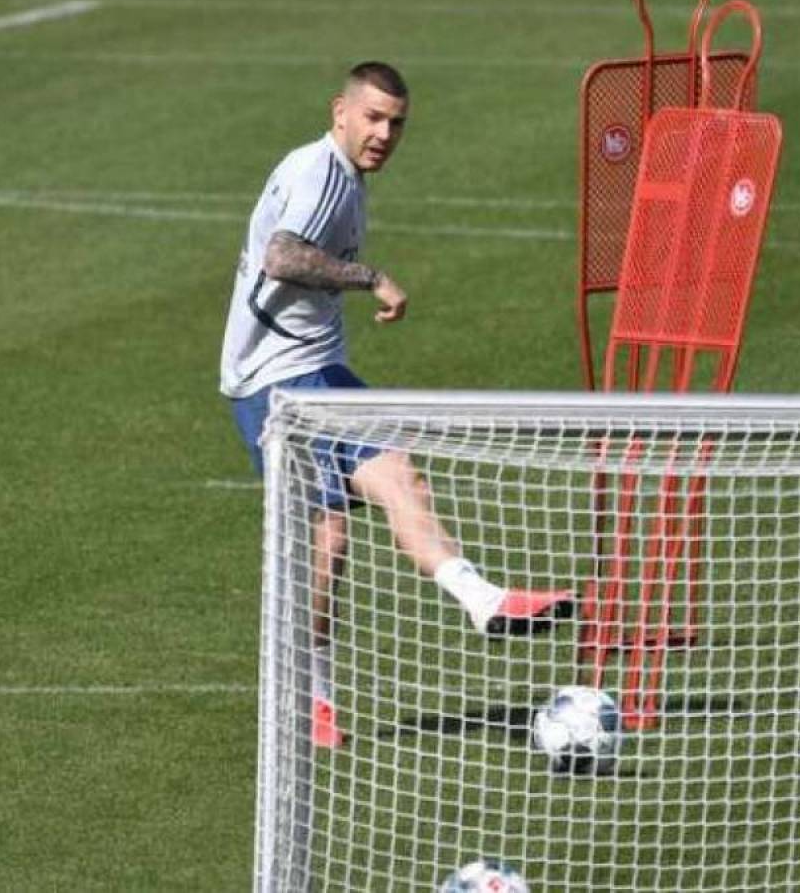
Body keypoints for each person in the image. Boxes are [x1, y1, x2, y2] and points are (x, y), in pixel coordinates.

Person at [219, 62, 572, 748]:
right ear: (341, 111)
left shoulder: (344, 175)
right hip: (275, 384)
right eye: (373, 117)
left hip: (321, 372)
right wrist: (372, 277)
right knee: (329, 533)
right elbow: (282, 258)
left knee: (402, 477)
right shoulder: (320, 175)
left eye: (396, 123)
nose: (384, 134)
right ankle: (312, 697)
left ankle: (484, 601)